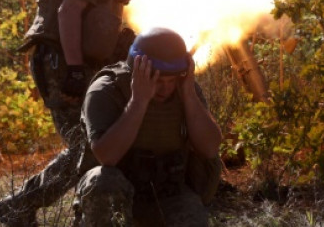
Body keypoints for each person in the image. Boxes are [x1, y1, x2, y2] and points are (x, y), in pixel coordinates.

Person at [0, 0, 148, 227]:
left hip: (74, 62)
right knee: (88, 145)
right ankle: (20, 205)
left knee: (91, 144)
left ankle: (21, 205)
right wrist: (76, 69)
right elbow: (68, 12)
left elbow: (96, 21)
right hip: (62, 63)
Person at [74, 27, 223, 226]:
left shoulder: (185, 89)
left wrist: (188, 94)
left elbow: (210, 147)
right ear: (138, 69)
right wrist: (139, 101)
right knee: (103, 182)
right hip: (118, 194)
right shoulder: (106, 90)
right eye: (158, 79)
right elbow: (106, 156)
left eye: (171, 80)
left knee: (192, 218)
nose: (165, 88)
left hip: (168, 194)